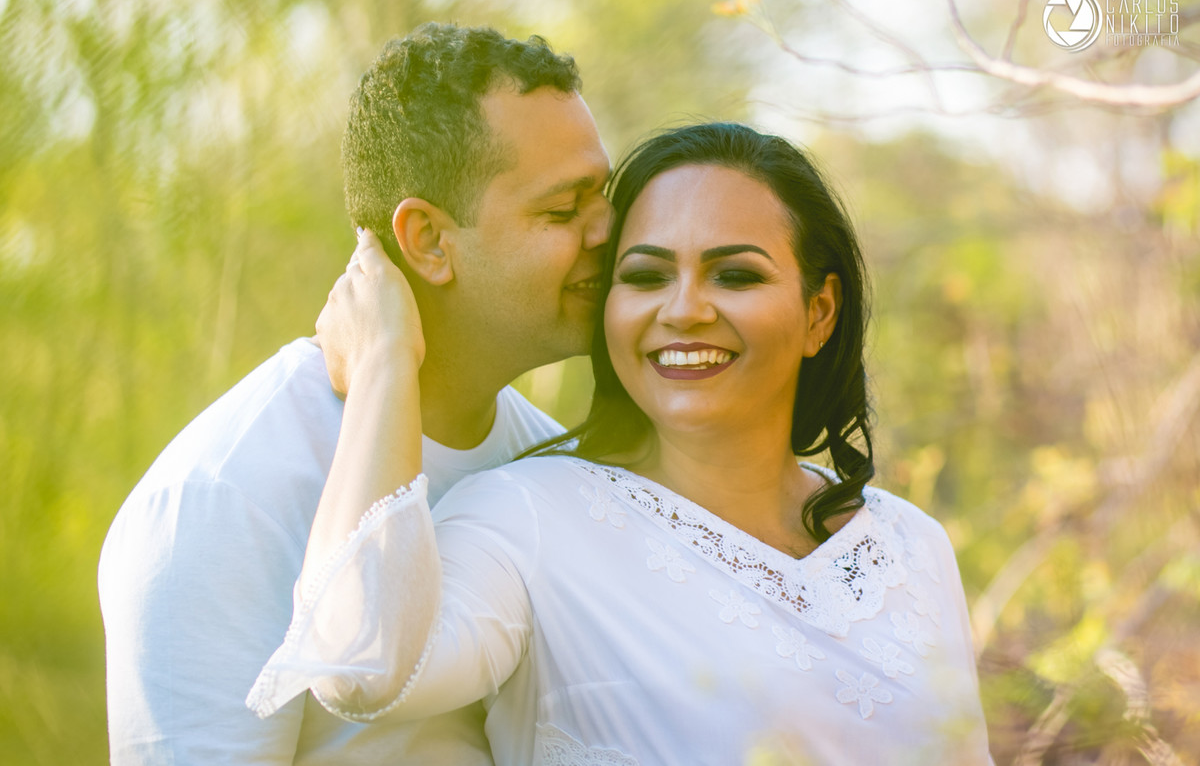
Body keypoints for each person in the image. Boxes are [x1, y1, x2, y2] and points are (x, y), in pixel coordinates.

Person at [248, 122, 993, 764]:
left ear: (820, 312)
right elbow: (356, 667)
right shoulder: (531, 520)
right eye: (645, 275)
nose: (684, 309)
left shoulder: (911, 545)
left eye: (734, 274)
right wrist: (384, 362)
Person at [98, 22, 611, 765]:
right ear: (431, 241)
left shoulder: (548, 459)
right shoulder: (217, 494)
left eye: (607, 195)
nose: (614, 232)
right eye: (564, 210)